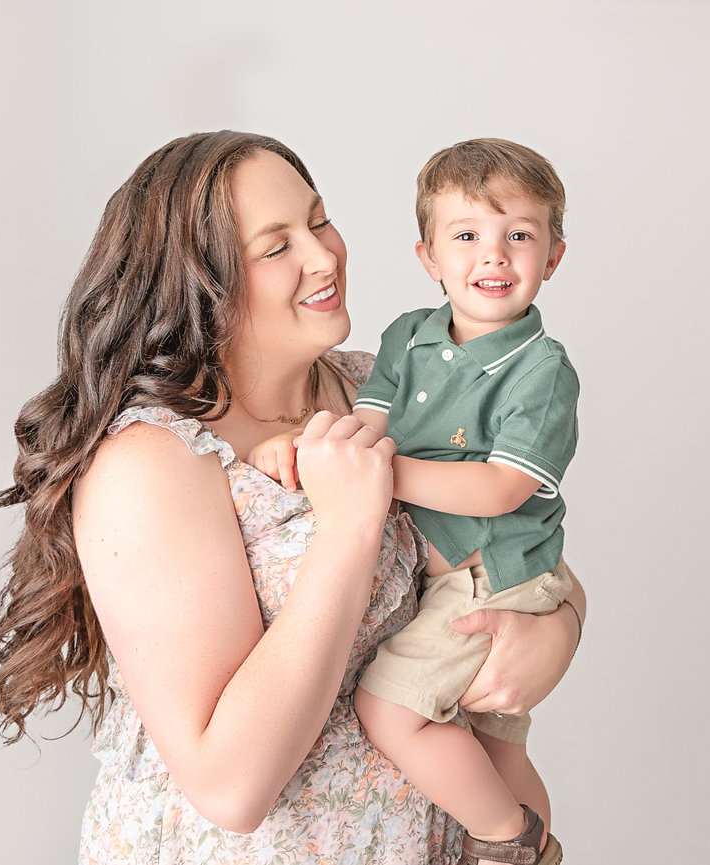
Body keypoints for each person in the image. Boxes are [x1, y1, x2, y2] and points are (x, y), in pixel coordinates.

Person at [0, 131, 586, 865]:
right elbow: (230, 788)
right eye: (276, 247)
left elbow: (511, 548)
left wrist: (560, 625)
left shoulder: (377, 386)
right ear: (199, 281)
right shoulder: (151, 460)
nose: (323, 256)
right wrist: (347, 525)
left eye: (319, 219)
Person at [249, 138, 579, 864]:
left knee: (388, 709)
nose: (492, 257)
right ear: (429, 257)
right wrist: (307, 449)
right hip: (461, 570)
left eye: (518, 236)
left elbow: (501, 488)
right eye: (466, 237)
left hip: (495, 568)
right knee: (491, 734)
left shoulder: (540, 369)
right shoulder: (406, 337)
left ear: (551, 256)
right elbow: (363, 425)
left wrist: (376, 473)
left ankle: (506, 838)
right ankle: (532, 841)